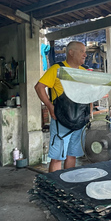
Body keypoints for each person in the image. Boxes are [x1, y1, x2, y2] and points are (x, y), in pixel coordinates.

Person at [34, 41, 88, 173]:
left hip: (80, 120)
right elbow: (39, 87)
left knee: (72, 155)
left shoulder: (84, 71)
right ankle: (54, 188)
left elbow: (88, 92)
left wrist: (90, 111)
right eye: (82, 51)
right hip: (61, 120)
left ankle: (68, 184)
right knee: (57, 157)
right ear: (71, 52)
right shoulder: (57, 69)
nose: (85, 55)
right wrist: (50, 107)